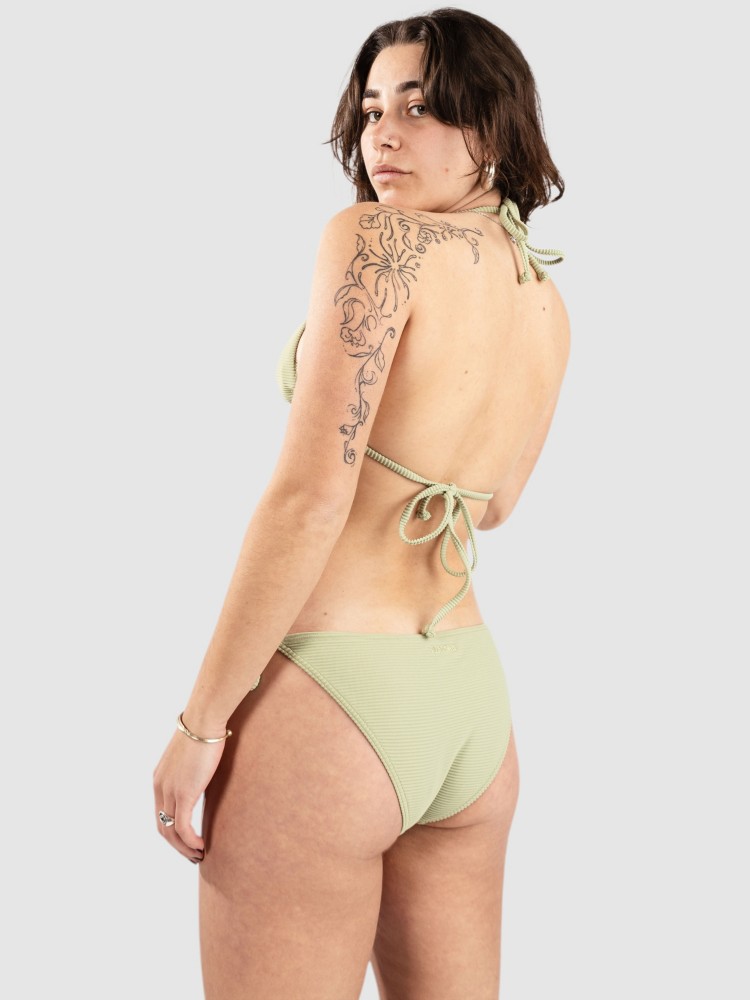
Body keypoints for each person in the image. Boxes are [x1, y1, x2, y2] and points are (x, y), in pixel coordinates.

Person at [153, 7, 569, 997]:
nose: (384, 134)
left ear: (494, 124)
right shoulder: (542, 296)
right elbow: (497, 503)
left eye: (420, 108)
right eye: (373, 109)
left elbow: (308, 498)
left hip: (333, 702)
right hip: (469, 703)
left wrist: (201, 725)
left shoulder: (375, 241)